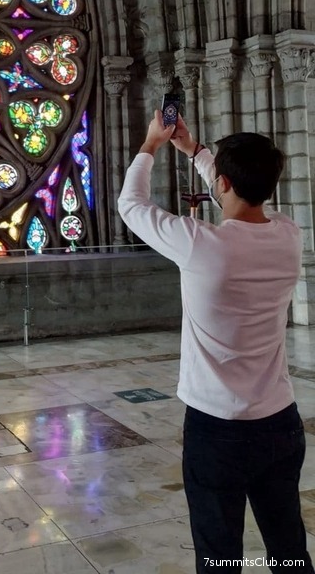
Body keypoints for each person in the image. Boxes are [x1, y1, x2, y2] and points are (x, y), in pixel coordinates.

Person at [117, 110, 314, 574]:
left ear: (222, 184)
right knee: (288, 545)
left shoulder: (200, 244)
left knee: (219, 554)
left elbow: (131, 205)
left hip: (217, 428)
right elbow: (240, 189)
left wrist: (151, 144)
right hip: (280, 421)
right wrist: (197, 152)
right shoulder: (288, 236)